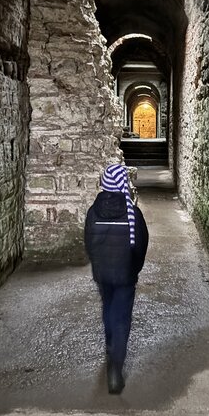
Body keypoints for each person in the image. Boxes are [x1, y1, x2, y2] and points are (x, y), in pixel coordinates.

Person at [84, 163, 149, 394]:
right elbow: (141, 247)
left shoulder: (93, 212)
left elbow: (89, 243)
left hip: (103, 275)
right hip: (125, 276)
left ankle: (110, 346)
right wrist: (134, 271)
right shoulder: (133, 214)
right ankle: (115, 372)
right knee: (121, 318)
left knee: (108, 308)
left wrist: (98, 266)